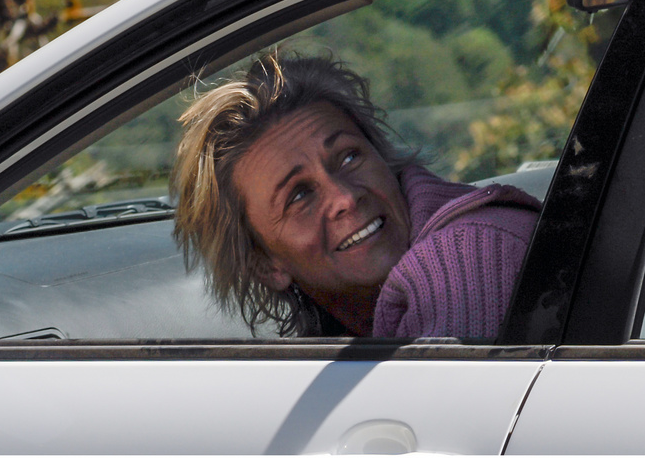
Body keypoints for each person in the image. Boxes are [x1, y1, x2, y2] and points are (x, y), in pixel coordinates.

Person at [172, 53, 541, 338]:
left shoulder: (465, 255)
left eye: (349, 157)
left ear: (381, 155)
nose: (345, 197)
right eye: (300, 195)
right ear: (265, 265)